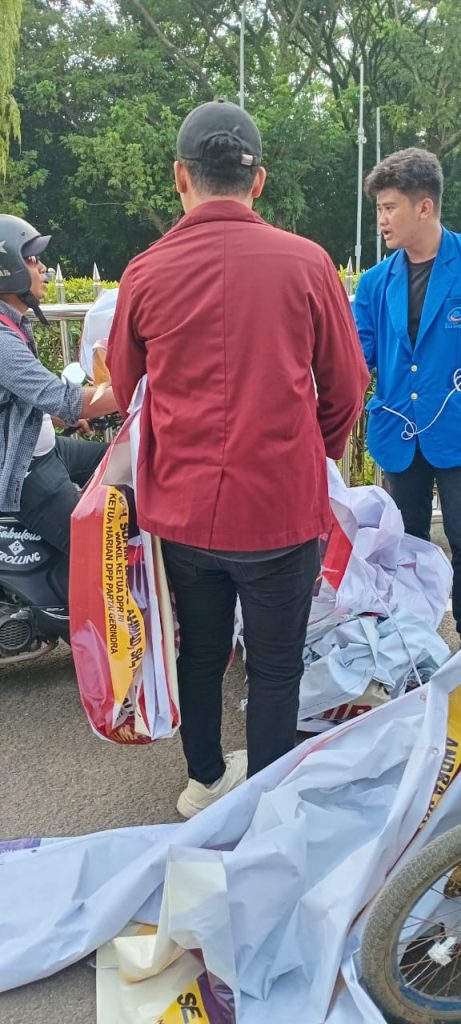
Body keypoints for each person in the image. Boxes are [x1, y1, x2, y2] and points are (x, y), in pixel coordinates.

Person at [107, 100, 369, 817]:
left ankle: (204, 780)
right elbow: (347, 386)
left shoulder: (144, 271)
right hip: (280, 509)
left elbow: (128, 389)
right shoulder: (308, 262)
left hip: (184, 513)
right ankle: (266, 809)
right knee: (276, 666)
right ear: (258, 181)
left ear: (179, 176)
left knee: (200, 651)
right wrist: (311, 453)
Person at [354, 148, 461, 642]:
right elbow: (357, 358)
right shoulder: (375, 283)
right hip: (399, 431)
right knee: (407, 542)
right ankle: (413, 642)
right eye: (378, 208)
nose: (381, 219)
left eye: (389, 207)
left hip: (455, 430)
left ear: (424, 207)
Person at [0, 213, 119, 558]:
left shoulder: (14, 323)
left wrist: (56, 418)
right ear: (9, 269)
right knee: (101, 553)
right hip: (24, 470)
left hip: (43, 449)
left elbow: (22, 402)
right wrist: (143, 387)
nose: (43, 268)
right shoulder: (2, 340)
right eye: (32, 259)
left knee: (123, 465)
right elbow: (66, 399)